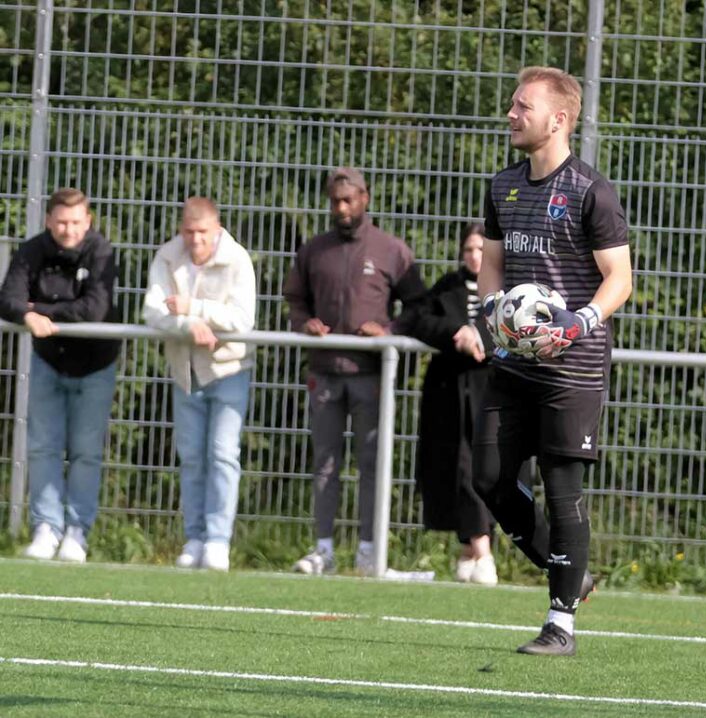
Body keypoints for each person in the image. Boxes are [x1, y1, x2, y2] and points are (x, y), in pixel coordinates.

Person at [474, 66, 633, 655]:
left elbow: (620, 278)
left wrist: (579, 321)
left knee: (563, 488)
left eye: (522, 107)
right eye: (512, 105)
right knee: (487, 475)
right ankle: (570, 570)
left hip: (574, 367)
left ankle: (560, 623)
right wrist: (491, 310)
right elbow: (491, 262)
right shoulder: (502, 185)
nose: (511, 115)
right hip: (513, 363)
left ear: (558, 119)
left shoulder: (592, 191)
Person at [284, 167, 426, 576]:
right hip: (325, 372)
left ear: (365, 198)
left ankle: (368, 553)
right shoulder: (314, 250)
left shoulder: (390, 250)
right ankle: (323, 550)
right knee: (326, 462)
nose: (341, 208)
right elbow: (294, 299)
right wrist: (305, 323)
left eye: (348, 200)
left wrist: (389, 331)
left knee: (371, 463)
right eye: (335, 201)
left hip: (371, 375)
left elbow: (418, 305)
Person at [0, 188, 120, 563]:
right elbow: (8, 299)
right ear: (49, 220)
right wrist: (26, 314)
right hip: (49, 362)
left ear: (88, 221)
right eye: (61, 222)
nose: (68, 230)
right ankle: (46, 528)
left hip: (95, 365)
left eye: (75, 222)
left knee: (85, 453)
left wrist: (42, 310)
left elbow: (96, 309)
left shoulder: (101, 251)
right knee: (42, 447)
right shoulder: (33, 249)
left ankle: (77, 531)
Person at [142, 197, 256, 572]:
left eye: (202, 232)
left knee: (223, 454)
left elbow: (242, 320)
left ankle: (218, 541)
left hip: (228, 369)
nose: (195, 240)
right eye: (189, 231)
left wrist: (195, 309)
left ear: (217, 229)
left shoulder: (237, 259)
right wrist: (188, 327)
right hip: (185, 370)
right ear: (181, 229)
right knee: (191, 457)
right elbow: (152, 311)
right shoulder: (168, 256)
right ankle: (194, 537)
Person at [402, 223, 498, 586]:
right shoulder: (448, 287)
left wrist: (483, 339)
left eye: (481, 249)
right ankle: (480, 549)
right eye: (469, 249)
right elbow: (418, 320)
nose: (474, 256)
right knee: (459, 467)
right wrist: (455, 334)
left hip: (492, 391)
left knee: (487, 469)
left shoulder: (508, 289)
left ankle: (471, 550)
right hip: (450, 395)